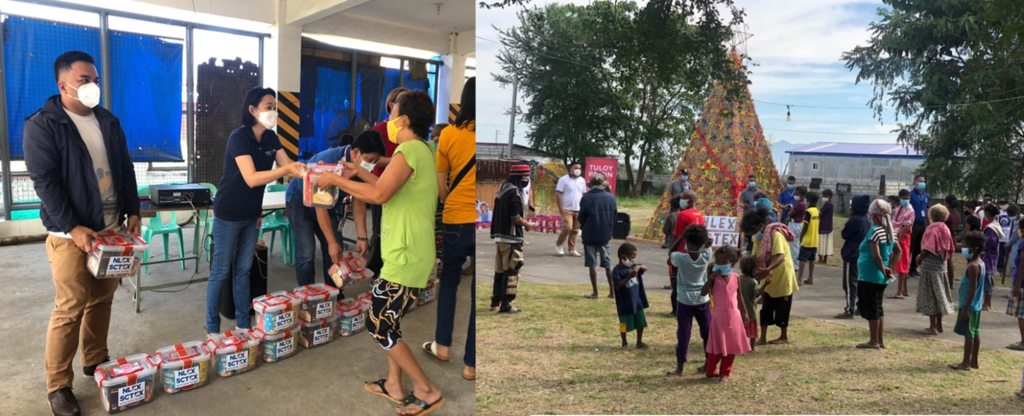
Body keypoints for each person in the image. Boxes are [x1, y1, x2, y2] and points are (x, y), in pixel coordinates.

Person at [24, 51, 142, 416]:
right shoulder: (43, 125)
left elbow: (124, 168)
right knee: (70, 306)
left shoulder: (107, 120)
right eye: (84, 80)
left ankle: (96, 360)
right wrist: (72, 227)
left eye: (95, 79)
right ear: (63, 85)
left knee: (102, 299)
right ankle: (58, 385)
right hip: (68, 235)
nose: (93, 86)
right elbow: (46, 183)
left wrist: (133, 211)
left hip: (110, 232)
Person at [315, 90, 444, 414]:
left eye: (393, 112)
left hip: (406, 254)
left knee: (379, 324)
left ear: (403, 119)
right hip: (408, 251)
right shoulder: (424, 150)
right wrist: (357, 171)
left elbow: (379, 194)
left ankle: (426, 390)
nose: (388, 121)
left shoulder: (407, 150)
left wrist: (336, 180)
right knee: (391, 320)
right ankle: (394, 384)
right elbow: (388, 185)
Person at [207, 87, 304, 339]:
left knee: (243, 270)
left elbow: (289, 166)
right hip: (228, 213)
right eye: (268, 106)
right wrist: (288, 170)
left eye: (275, 107)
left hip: (251, 214)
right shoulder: (238, 138)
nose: (273, 111)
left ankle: (242, 324)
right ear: (253, 110)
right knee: (221, 270)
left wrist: (311, 172)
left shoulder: (271, 138)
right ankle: (212, 328)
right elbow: (251, 178)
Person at [421, 78, 477, 382]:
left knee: (450, 281)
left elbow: (441, 184)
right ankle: (471, 365)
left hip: (455, 217)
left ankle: (442, 346)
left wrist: (452, 204)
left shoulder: (449, 135)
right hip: (485, 221)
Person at [286, 131, 384, 288]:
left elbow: (358, 200)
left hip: (329, 205)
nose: (371, 165)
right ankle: (307, 294)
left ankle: (333, 292)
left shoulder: (358, 168)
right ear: (357, 152)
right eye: (369, 160)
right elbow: (320, 207)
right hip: (300, 202)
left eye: (375, 161)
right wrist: (331, 242)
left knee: (335, 252)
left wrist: (362, 237)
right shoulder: (330, 163)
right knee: (307, 253)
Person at [364, 87, 410, 277]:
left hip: (405, 189)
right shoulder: (379, 130)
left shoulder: (410, 132)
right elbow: (370, 159)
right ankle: (378, 270)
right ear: (392, 106)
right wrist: (401, 160)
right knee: (381, 230)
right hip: (381, 185)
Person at [744, 208, 799, 345]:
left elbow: (780, 257)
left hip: (781, 275)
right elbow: (756, 255)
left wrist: (767, 269)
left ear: (759, 226)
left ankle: (783, 336)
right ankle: (762, 337)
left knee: (783, 307)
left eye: (751, 231)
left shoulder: (776, 235)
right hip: (767, 277)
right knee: (766, 307)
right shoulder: (759, 237)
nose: (751, 235)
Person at [667, 224, 713, 376]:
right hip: (702, 298)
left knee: (684, 333)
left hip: (684, 300)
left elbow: (670, 254)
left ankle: (680, 368)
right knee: (706, 331)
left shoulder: (680, 258)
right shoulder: (706, 257)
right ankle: (708, 363)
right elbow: (706, 246)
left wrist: (681, 237)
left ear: (688, 241)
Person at [701, 246, 752, 382]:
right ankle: (710, 370)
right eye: (718, 262)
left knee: (731, 346)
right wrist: (710, 279)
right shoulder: (714, 278)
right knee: (716, 345)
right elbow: (703, 292)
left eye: (724, 262)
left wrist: (745, 314)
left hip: (734, 316)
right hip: (718, 317)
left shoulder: (736, 277)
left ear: (732, 263)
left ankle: (725, 373)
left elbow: (739, 297)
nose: (721, 265)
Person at [855, 199, 901, 350]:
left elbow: (876, 256)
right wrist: (889, 269)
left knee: (872, 308)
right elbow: (898, 252)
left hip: (870, 275)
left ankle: (873, 341)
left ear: (874, 215)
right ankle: (879, 340)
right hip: (880, 277)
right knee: (878, 307)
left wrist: (883, 268)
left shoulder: (875, 231)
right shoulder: (890, 231)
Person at [489, 164, 533, 313]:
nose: (527, 180)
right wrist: (527, 224)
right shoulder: (515, 193)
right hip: (512, 237)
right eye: (525, 177)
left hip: (500, 237)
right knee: (513, 270)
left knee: (500, 271)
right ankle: (506, 304)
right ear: (519, 178)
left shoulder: (504, 188)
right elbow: (515, 217)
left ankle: (496, 302)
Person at [916, 205, 956, 335]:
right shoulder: (945, 228)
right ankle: (939, 324)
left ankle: (932, 326)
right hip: (941, 265)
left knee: (930, 295)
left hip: (930, 266)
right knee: (939, 294)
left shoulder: (932, 229)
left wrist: (919, 258)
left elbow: (928, 247)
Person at [950, 231, 986, 371]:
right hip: (975, 305)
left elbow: (972, 289)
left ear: (974, 248)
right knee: (975, 332)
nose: (963, 247)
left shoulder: (973, 266)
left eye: (965, 245)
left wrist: (965, 308)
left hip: (969, 306)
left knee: (969, 334)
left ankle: (965, 363)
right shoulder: (980, 263)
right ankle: (974, 361)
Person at [578, 173, 618, 299]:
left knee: (592, 263)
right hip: (605, 234)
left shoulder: (586, 198)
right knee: (607, 264)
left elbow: (581, 217)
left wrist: (584, 227)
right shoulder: (611, 198)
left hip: (589, 234)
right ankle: (612, 292)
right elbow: (614, 216)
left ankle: (595, 292)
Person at [669, 190, 705, 316]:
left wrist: (671, 252)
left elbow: (677, 235)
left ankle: (676, 309)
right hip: (695, 253)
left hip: (682, 252)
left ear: (689, 201)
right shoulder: (699, 215)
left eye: (683, 198)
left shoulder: (682, 215)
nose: (681, 200)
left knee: (677, 281)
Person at [836, 195, 871, 319]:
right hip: (862, 255)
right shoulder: (866, 219)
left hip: (852, 255)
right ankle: (860, 307)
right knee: (859, 282)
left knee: (849, 284)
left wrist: (850, 217)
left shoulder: (855, 220)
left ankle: (849, 309)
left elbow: (844, 234)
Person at [613, 243, 649, 350]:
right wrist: (629, 276)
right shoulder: (617, 270)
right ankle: (624, 342)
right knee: (624, 324)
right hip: (625, 303)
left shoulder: (634, 267)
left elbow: (645, 267)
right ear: (623, 257)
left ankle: (639, 341)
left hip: (637, 301)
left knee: (640, 322)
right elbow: (618, 285)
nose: (633, 260)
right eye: (632, 257)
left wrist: (639, 266)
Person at [555, 162, 587, 257]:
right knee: (568, 227)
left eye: (580, 168)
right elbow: (558, 194)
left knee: (575, 230)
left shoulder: (582, 180)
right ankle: (559, 244)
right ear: (571, 169)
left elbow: (584, 194)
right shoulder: (563, 180)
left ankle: (572, 249)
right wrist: (561, 208)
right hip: (567, 208)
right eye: (576, 167)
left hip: (578, 208)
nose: (578, 170)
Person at [889, 190, 915, 299]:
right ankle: (904, 289)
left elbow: (905, 227)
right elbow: (896, 222)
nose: (905, 200)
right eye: (903, 198)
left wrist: (897, 241)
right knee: (903, 264)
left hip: (903, 239)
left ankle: (899, 291)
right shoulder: (900, 209)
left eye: (907, 198)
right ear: (899, 198)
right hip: (899, 236)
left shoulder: (909, 210)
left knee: (901, 266)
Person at [982, 205, 1005, 311]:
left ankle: (987, 303)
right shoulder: (995, 226)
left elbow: (987, 243)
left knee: (987, 279)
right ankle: (987, 302)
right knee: (988, 278)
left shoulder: (991, 228)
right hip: (991, 256)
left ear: (987, 213)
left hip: (988, 257)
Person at [1006, 225, 1024, 351]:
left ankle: (1023, 342)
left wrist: (1018, 284)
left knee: (1021, 315)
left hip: (1022, 284)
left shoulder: (1023, 244)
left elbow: (1023, 264)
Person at [738, 256, 761, 350]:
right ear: (754, 270)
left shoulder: (738, 278)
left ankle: (740, 345)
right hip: (750, 310)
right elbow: (756, 294)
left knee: (739, 329)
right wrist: (765, 285)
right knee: (752, 329)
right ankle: (751, 347)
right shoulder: (753, 282)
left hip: (738, 310)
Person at [798, 191, 821, 285]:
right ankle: (810, 277)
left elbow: (805, 226)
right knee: (812, 259)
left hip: (807, 239)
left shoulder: (808, 211)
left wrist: (801, 236)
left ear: (809, 200)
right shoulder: (817, 211)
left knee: (802, 259)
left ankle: (800, 279)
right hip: (815, 239)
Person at [908, 175, 929, 278]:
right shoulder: (910, 195)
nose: (922, 183)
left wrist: (930, 223)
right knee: (909, 247)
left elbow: (927, 210)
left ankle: (913, 268)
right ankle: (904, 269)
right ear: (914, 182)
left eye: (923, 181)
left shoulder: (926, 195)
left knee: (918, 248)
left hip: (922, 224)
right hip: (913, 225)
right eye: (920, 181)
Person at [787, 186, 808, 274]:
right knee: (795, 245)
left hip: (795, 225)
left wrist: (790, 212)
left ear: (802, 195)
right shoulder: (801, 203)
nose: (795, 196)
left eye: (797, 194)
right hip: (796, 224)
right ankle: (795, 264)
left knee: (794, 246)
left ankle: (794, 264)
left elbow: (791, 213)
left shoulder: (800, 204)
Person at [818, 189, 835, 265]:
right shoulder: (829, 204)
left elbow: (820, 213)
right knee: (826, 243)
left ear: (829, 196)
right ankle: (823, 259)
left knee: (822, 242)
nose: (823, 197)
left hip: (824, 225)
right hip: (828, 225)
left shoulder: (828, 204)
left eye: (825, 196)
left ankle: (821, 259)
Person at [998, 200, 1013, 275]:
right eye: (1001, 204)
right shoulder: (998, 213)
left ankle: (1012, 269)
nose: (1002, 205)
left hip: (1010, 237)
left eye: (1004, 203)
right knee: (1000, 255)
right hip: (1000, 237)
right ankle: (1000, 269)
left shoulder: (1013, 213)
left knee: (1011, 255)